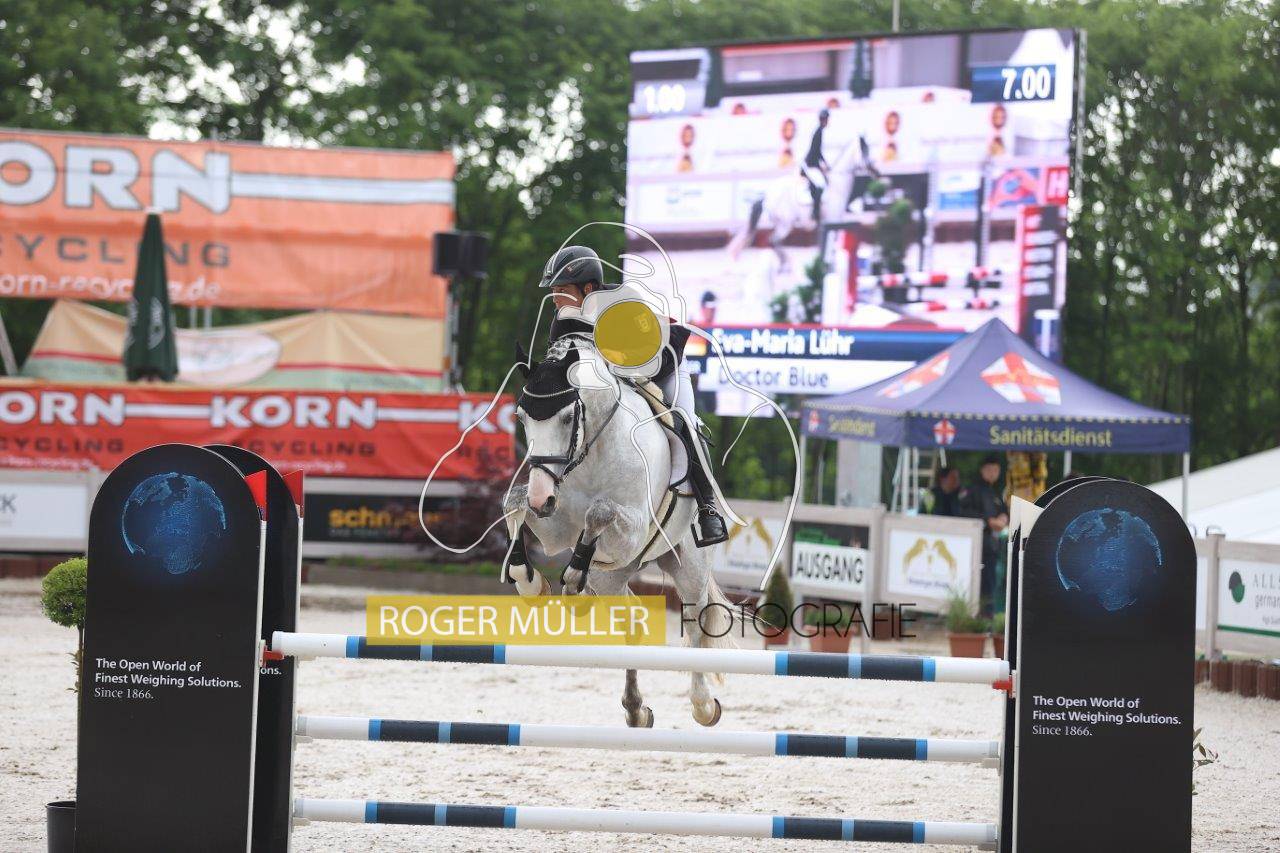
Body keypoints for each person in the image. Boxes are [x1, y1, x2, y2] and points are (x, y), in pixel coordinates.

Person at [537, 245, 729, 546]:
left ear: (588, 288)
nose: (555, 298)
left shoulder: (623, 303)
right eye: (553, 291)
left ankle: (708, 509)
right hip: (619, 373)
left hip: (662, 364)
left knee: (684, 423)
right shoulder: (563, 321)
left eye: (561, 290)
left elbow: (642, 359)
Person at [963, 454, 1008, 612]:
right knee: (977, 582)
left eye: (996, 470)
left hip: (992, 546)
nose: (993, 473)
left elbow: (1003, 510)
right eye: (990, 469)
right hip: (977, 545)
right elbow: (964, 513)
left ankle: (988, 616)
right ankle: (976, 614)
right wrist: (988, 521)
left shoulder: (995, 491)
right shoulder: (972, 490)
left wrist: (1004, 517)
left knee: (990, 582)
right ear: (982, 470)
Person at [800, 108, 830, 224]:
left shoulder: (820, 131)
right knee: (820, 186)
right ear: (823, 120)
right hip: (810, 165)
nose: (827, 121)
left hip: (813, 163)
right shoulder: (818, 132)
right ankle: (815, 212)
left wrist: (825, 164)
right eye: (826, 119)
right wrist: (821, 165)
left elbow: (818, 152)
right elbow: (815, 151)